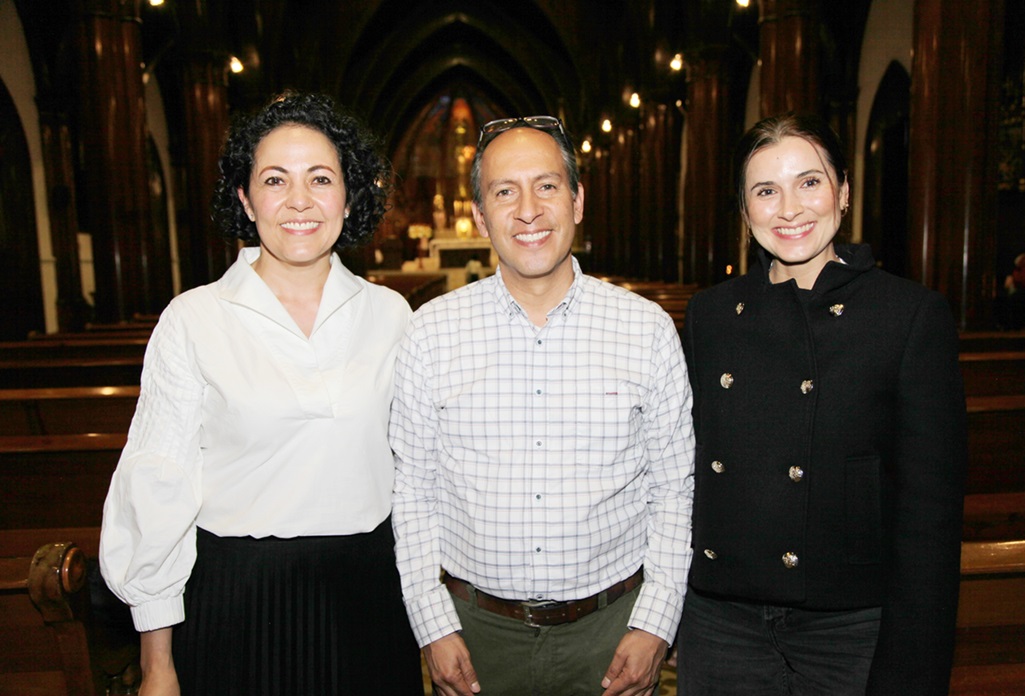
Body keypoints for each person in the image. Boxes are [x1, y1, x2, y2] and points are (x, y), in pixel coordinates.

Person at [99, 92, 423, 695]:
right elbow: (158, 482)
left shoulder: (391, 315)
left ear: (348, 195)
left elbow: (416, 473)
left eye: (320, 179)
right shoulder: (193, 318)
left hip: (369, 596)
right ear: (246, 199)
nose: (299, 201)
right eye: (275, 180)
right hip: (237, 597)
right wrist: (156, 664)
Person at [390, 116, 695, 696]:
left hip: (613, 627)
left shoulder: (646, 329)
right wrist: (431, 623)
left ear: (577, 201)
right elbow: (414, 489)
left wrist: (656, 623)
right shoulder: (430, 332)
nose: (528, 210)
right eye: (505, 191)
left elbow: (673, 488)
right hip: (476, 630)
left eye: (547, 186)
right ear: (480, 215)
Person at [675, 113, 967, 695]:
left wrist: (913, 668)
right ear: (744, 209)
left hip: (849, 628)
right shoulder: (709, 316)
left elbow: (930, 516)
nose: (790, 209)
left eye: (809, 182)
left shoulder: (909, 317)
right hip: (721, 623)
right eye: (766, 190)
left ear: (844, 192)